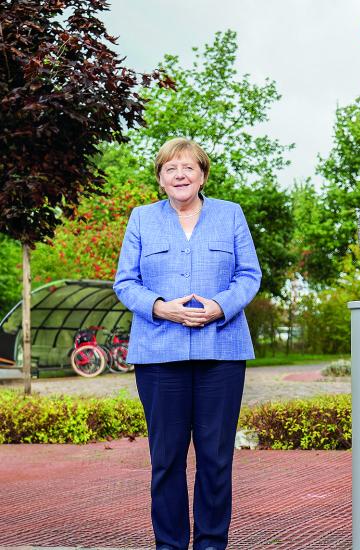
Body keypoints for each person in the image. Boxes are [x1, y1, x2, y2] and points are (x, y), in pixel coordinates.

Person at [114, 137, 262, 550]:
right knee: (166, 462)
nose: (179, 175)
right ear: (161, 179)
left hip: (222, 354)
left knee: (216, 461)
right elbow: (125, 282)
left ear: (202, 174)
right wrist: (161, 308)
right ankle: (170, 546)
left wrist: (219, 307)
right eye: (170, 169)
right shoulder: (141, 219)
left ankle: (212, 545)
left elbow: (249, 275)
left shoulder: (231, 215)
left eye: (188, 168)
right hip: (160, 356)